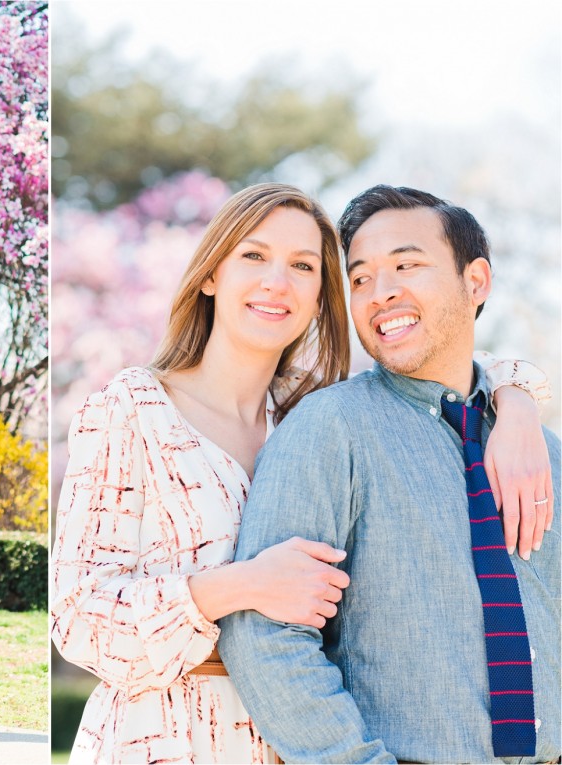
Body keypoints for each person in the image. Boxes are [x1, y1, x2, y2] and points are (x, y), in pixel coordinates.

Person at [51, 183, 553, 763]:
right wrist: (235, 586)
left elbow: (444, 356)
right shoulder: (132, 410)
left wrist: (515, 401)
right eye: (254, 256)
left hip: (289, 743)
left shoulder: (307, 414)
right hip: (162, 733)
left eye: (303, 266)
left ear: (320, 297)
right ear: (211, 273)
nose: (277, 282)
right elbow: (78, 617)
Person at [219, 185, 560, 763]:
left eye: (406, 265)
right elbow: (265, 633)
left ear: (475, 281)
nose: (382, 293)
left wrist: (519, 401)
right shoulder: (330, 427)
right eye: (360, 278)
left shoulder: (540, 449)